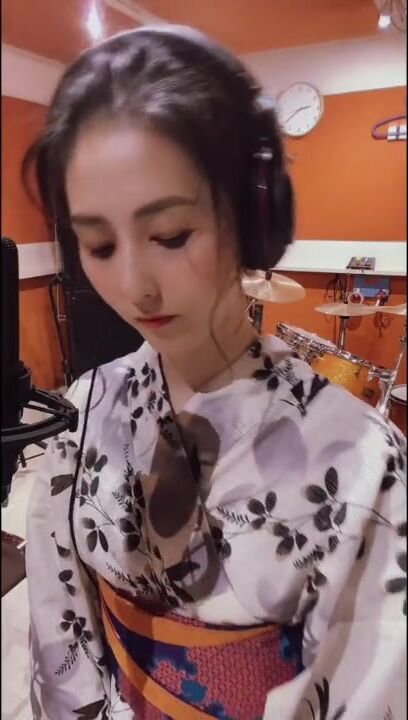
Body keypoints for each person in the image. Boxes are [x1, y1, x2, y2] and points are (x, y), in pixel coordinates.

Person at [23, 25, 406, 720]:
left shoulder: (364, 460)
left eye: (170, 236)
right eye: (99, 244)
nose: (134, 285)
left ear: (254, 215)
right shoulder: (87, 409)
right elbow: (63, 645)